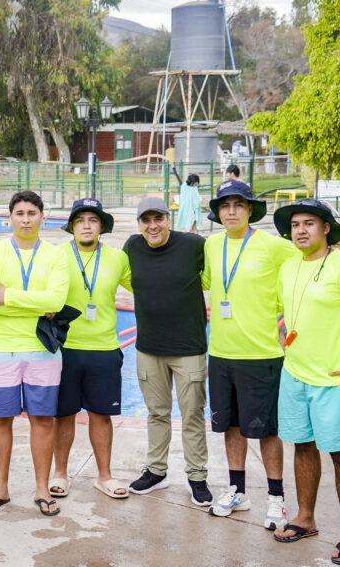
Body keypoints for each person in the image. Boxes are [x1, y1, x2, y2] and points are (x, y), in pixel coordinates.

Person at [271, 199, 340, 567]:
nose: (300, 230)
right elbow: (285, 309)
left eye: (309, 223)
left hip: (333, 382)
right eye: (295, 225)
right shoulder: (289, 266)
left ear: (325, 229)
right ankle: (305, 518)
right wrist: (282, 335)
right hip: (295, 375)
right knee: (303, 447)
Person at [201, 179, 294, 529]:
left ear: (250, 210)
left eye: (238, 205)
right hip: (221, 353)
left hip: (261, 355)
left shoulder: (273, 245)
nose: (231, 211)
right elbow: (203, 281)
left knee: (267, 431)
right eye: (225, 206)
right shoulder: (212, 245)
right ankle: (237, 491)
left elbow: (313, 258)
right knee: (231, 426)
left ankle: (276, 498)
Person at [0, 190, 70, 517]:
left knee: (42, 419)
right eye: (20, 213)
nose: (26, 219)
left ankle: (42, 488)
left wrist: (10, 296)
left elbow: (56, 301)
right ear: (10, 217)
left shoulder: (56, 255)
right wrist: (35, 302)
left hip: (42, 351)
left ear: (42, 216)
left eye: (32, 213)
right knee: (0, 418)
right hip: (0, 349)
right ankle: (0, 488)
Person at [122, 197, 212, 507]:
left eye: (158, 218)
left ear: (168, 219)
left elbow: (223, 267)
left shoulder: (193, 245)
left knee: (192, 415)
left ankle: (197, 476)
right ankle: (156, 471)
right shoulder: (132, 247)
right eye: (145, 220)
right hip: (149, 348)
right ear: (139, 224)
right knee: (156, 413)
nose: (152, 226)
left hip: (189, 348)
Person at [49, 199, 132, 501]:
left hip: (104, 347)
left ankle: (104, 476)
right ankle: (60, 473)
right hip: (65, 348)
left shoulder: (118, 258)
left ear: (101, 226)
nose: (86, 225)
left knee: (101, 414)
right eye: (80, 220)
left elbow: (146, 283)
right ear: (71, 226)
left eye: (93, 220)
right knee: (64, 415)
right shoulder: (56, 255)